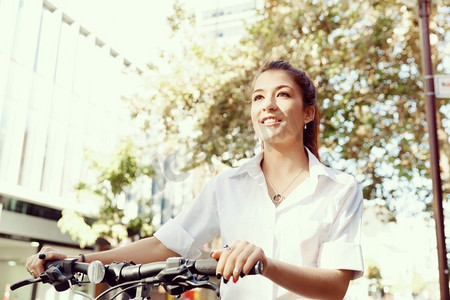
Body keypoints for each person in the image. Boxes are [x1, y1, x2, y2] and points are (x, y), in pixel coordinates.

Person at [26, 60, 364, 299]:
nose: (268, 104)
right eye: (259, 97)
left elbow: (335, 286)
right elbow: (163, 245)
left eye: (283, 94)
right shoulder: (226, 185)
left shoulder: (340, 189)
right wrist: (78, 261)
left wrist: (265, 264)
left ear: (308, 112)